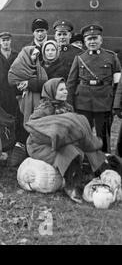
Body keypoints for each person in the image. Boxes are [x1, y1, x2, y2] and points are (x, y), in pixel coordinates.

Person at [26, 78, 107, 203]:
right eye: (61, 89)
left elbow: (72, 127)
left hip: (64, 143)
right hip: (41, 145)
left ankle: (93, 179)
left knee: (91, 153)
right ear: (51, 91)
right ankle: (71, 187)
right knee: (70, 153)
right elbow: (35, 132)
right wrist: (56, 138)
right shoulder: (42, 110)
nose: (66, 92)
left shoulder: (67, 108)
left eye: (66, 89)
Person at [66, 24, 121, 153]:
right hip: (83, 101)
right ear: (84, 41)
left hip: (104, 101)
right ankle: (85, 160)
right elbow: (71, 83)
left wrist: (116, 104)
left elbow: (118, 84)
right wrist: (69, 104)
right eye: (89, 39)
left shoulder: (112, 57)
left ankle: (104, 158)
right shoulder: (79, 58)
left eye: (95, 38)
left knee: (103, 134)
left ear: (101, 40)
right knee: (83, 133)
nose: (92, 42)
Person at [8, 42, 48, 125]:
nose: (35, 57)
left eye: (36, 55)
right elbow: (12, 81)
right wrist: (21, 86)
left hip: (39, 102)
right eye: (33, 55)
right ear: (26, 56)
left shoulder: (40, 69)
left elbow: (45, 84)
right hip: (20, 102)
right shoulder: (17, 67)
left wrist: (29, 84)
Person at [0, 32, 19, 118]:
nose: (5, 42)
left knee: (14, 115)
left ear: (11, 41)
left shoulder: (17, 55)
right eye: (3, 40)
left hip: (13, 90)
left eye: (7, 40)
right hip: (0, 91)